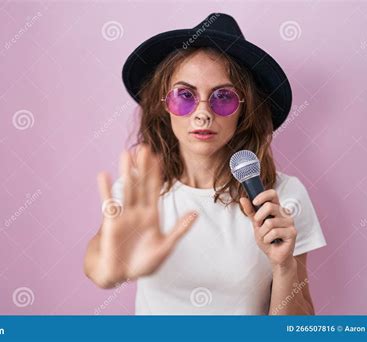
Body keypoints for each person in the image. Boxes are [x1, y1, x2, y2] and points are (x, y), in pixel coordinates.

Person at [84, 13, 327, 315]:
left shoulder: (283, 196)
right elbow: (98, 263)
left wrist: (284, 267)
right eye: (184, 95)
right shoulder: (141, 191)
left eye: (222, 97)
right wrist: (111, 265)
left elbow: (298, 330)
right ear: (164, 105)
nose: (202, 114)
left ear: (245, 109)